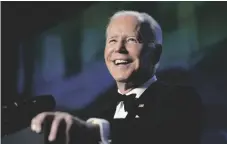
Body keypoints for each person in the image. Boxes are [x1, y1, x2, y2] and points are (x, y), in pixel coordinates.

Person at [31, 10, 202, 144]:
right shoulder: (99, 108)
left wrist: (94, 132)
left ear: (155, 54)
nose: (118, 48)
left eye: (132, 40)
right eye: (112, 41)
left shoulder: (181, 99)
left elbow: (160, 135)